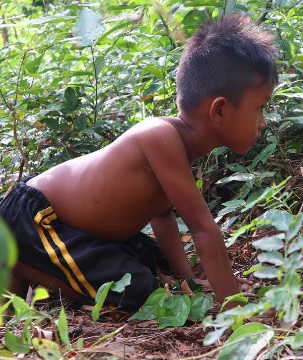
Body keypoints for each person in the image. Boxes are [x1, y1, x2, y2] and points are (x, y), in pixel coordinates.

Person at [0, 13, 277, 311]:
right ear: (219, 110)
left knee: (158, 266)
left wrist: (188, 283)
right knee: (139, 291)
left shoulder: (180, 148)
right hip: (35, 220)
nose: (263, 121)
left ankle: (36, 266)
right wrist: (235, 311)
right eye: (260, 107)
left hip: (80, 231)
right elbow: (202, 229)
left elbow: (162, 218)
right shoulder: (160, 136)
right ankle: (26, 267)